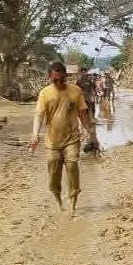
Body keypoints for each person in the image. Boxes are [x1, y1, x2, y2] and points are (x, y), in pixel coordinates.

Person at [29, 61, 93, 214]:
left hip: (72, 138)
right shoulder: (45, 93)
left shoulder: (75, 91)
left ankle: (73, 204)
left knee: (72, 166)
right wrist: (34, 134)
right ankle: (58, 199)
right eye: (55, 80)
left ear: (66, 76)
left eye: (61, 79)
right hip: (52, 142)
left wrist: (89, 131)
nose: (58, 82)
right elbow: (39, 115)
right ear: (50, 78)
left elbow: (82, 113)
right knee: (53, 172)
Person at [75, 66, 100, 153]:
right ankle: (87, 134)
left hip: (90, 101)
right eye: (82, 71)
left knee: (91, 119)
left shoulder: (90, 80)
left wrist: (96, 94)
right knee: (83, 118)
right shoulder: (78, 81)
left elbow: (94, 88)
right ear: (80, 72)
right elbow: (76, 91)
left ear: (86, 72)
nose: (83, 73)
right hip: (82, 101)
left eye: (84, 71)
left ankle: (93, 139)